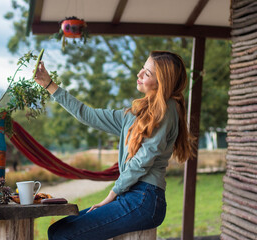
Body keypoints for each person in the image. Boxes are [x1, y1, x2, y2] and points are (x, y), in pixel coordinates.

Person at [34, 51, 194, 240]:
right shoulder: (133, 115)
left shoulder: (168, 109)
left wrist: (112, 194)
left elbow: (143, 160)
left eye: (147, 74)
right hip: (132, 195)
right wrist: (49, 85)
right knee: (56, 230)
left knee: (65, 234)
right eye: (142, 69)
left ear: (162, 83)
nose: (139, 74)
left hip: (145, 199)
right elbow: (86, 114)